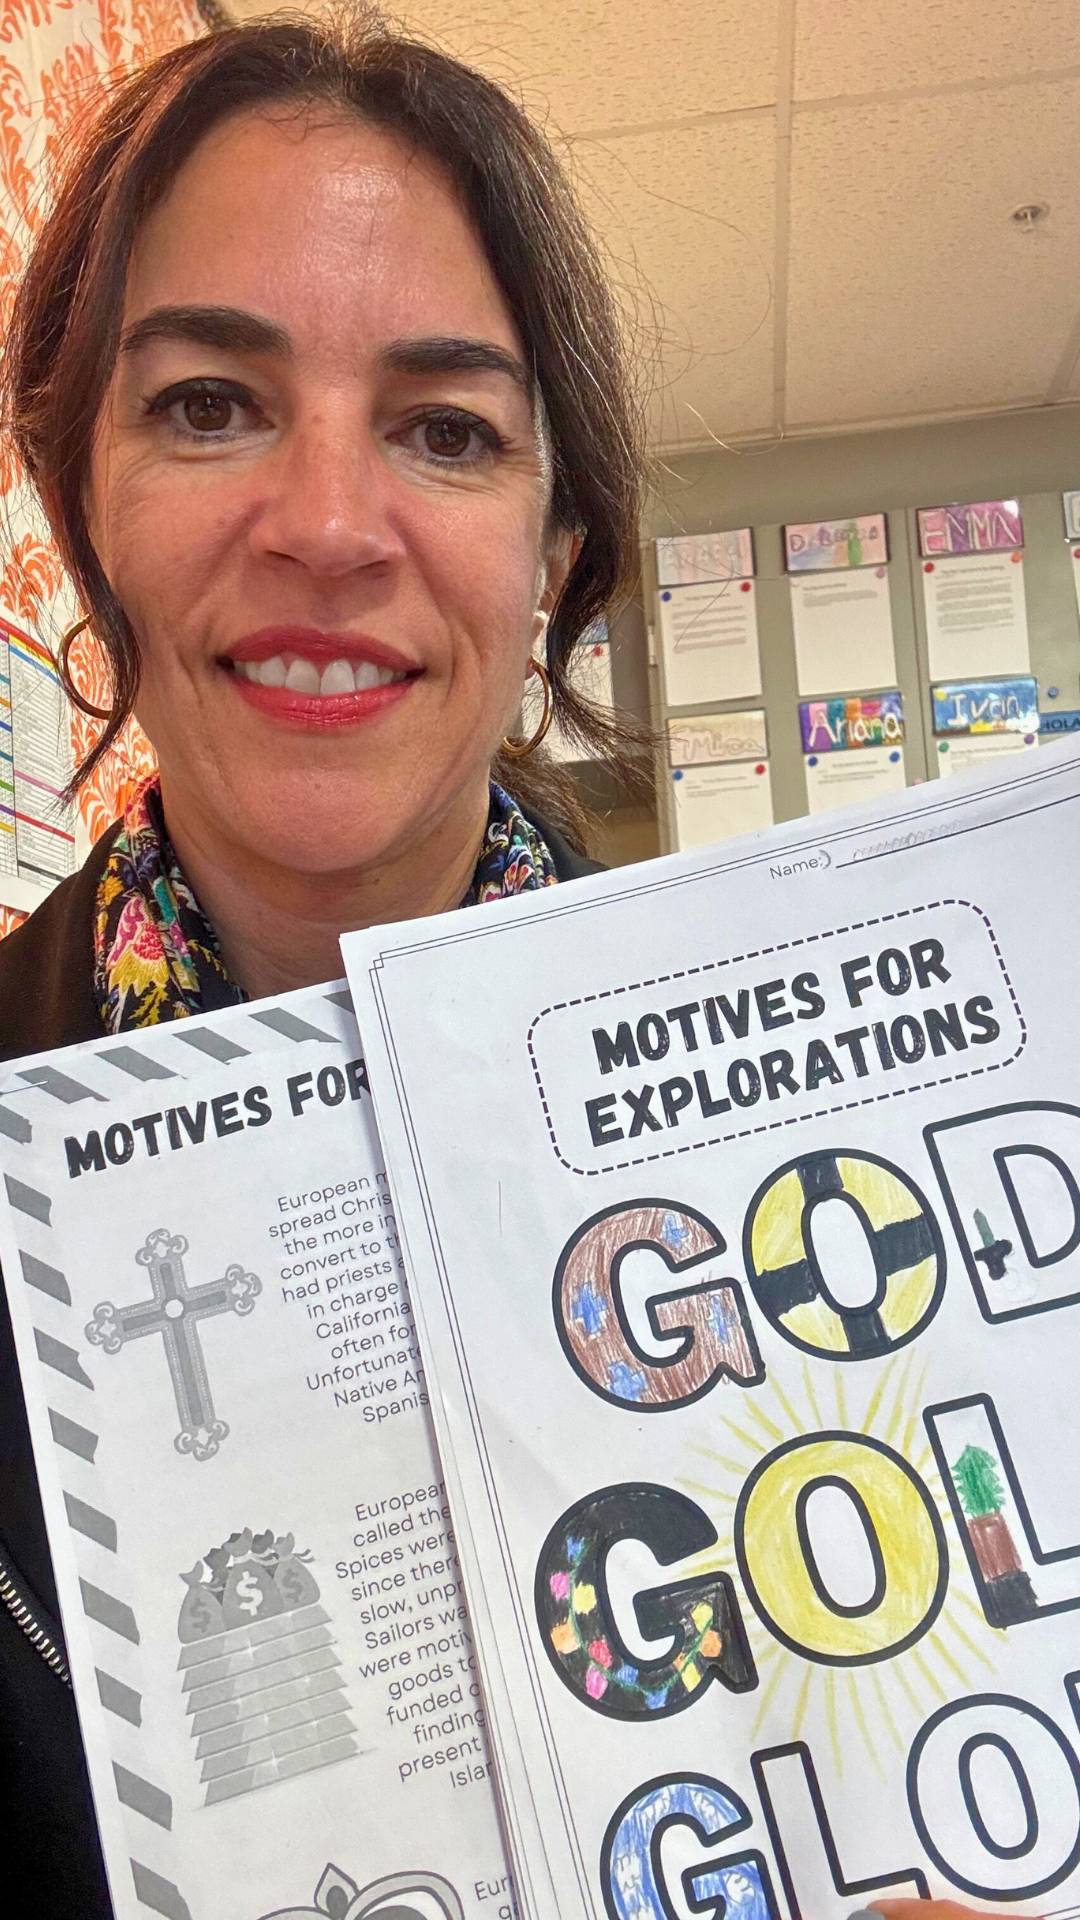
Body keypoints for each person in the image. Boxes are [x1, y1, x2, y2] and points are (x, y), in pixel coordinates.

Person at [0, 13, 1006, 1920]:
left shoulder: (830, 1141)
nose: (325, 525)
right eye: (208, 405)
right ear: (88, 508)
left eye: (446, 430)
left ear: (551, 557)